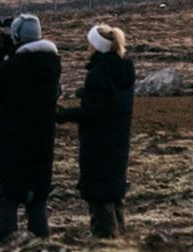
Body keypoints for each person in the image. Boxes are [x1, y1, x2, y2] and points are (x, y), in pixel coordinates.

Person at [0, 12, 62, 242]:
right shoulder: (52, 64)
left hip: (12, 146)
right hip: (42, 146)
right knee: (37, 203)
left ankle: (8, 248)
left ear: (17, 37)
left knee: (8, 199)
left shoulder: (15, 66)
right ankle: (43, 250)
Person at [57, 23, 136, 238]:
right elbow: (110, 102)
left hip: (98, 144)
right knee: (113, 194)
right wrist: (87, 94)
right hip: (117, 141)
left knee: (99, 195)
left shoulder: (98, 74)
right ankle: (121, 239)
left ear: (96, 46)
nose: (86, 48)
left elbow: (92, 112)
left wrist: (63, 115)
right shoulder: (122, 71)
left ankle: (106, 242)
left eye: (89, 44)